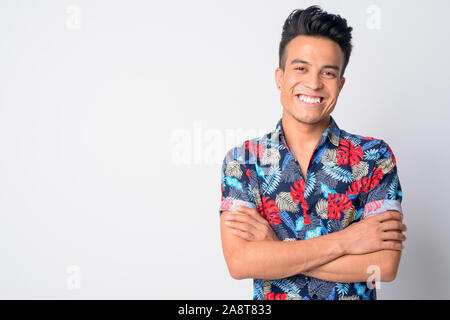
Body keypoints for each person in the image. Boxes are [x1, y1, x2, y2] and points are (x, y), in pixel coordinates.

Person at [218, 5, 406, 300]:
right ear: (279, 77)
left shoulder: (374, 157)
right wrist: (348, 240)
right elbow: (240, 262)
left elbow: (383, 266)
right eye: (301, 68)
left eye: (328, 72)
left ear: (341, 84)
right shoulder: (242, 161)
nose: (314, 83)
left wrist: (276, 251)